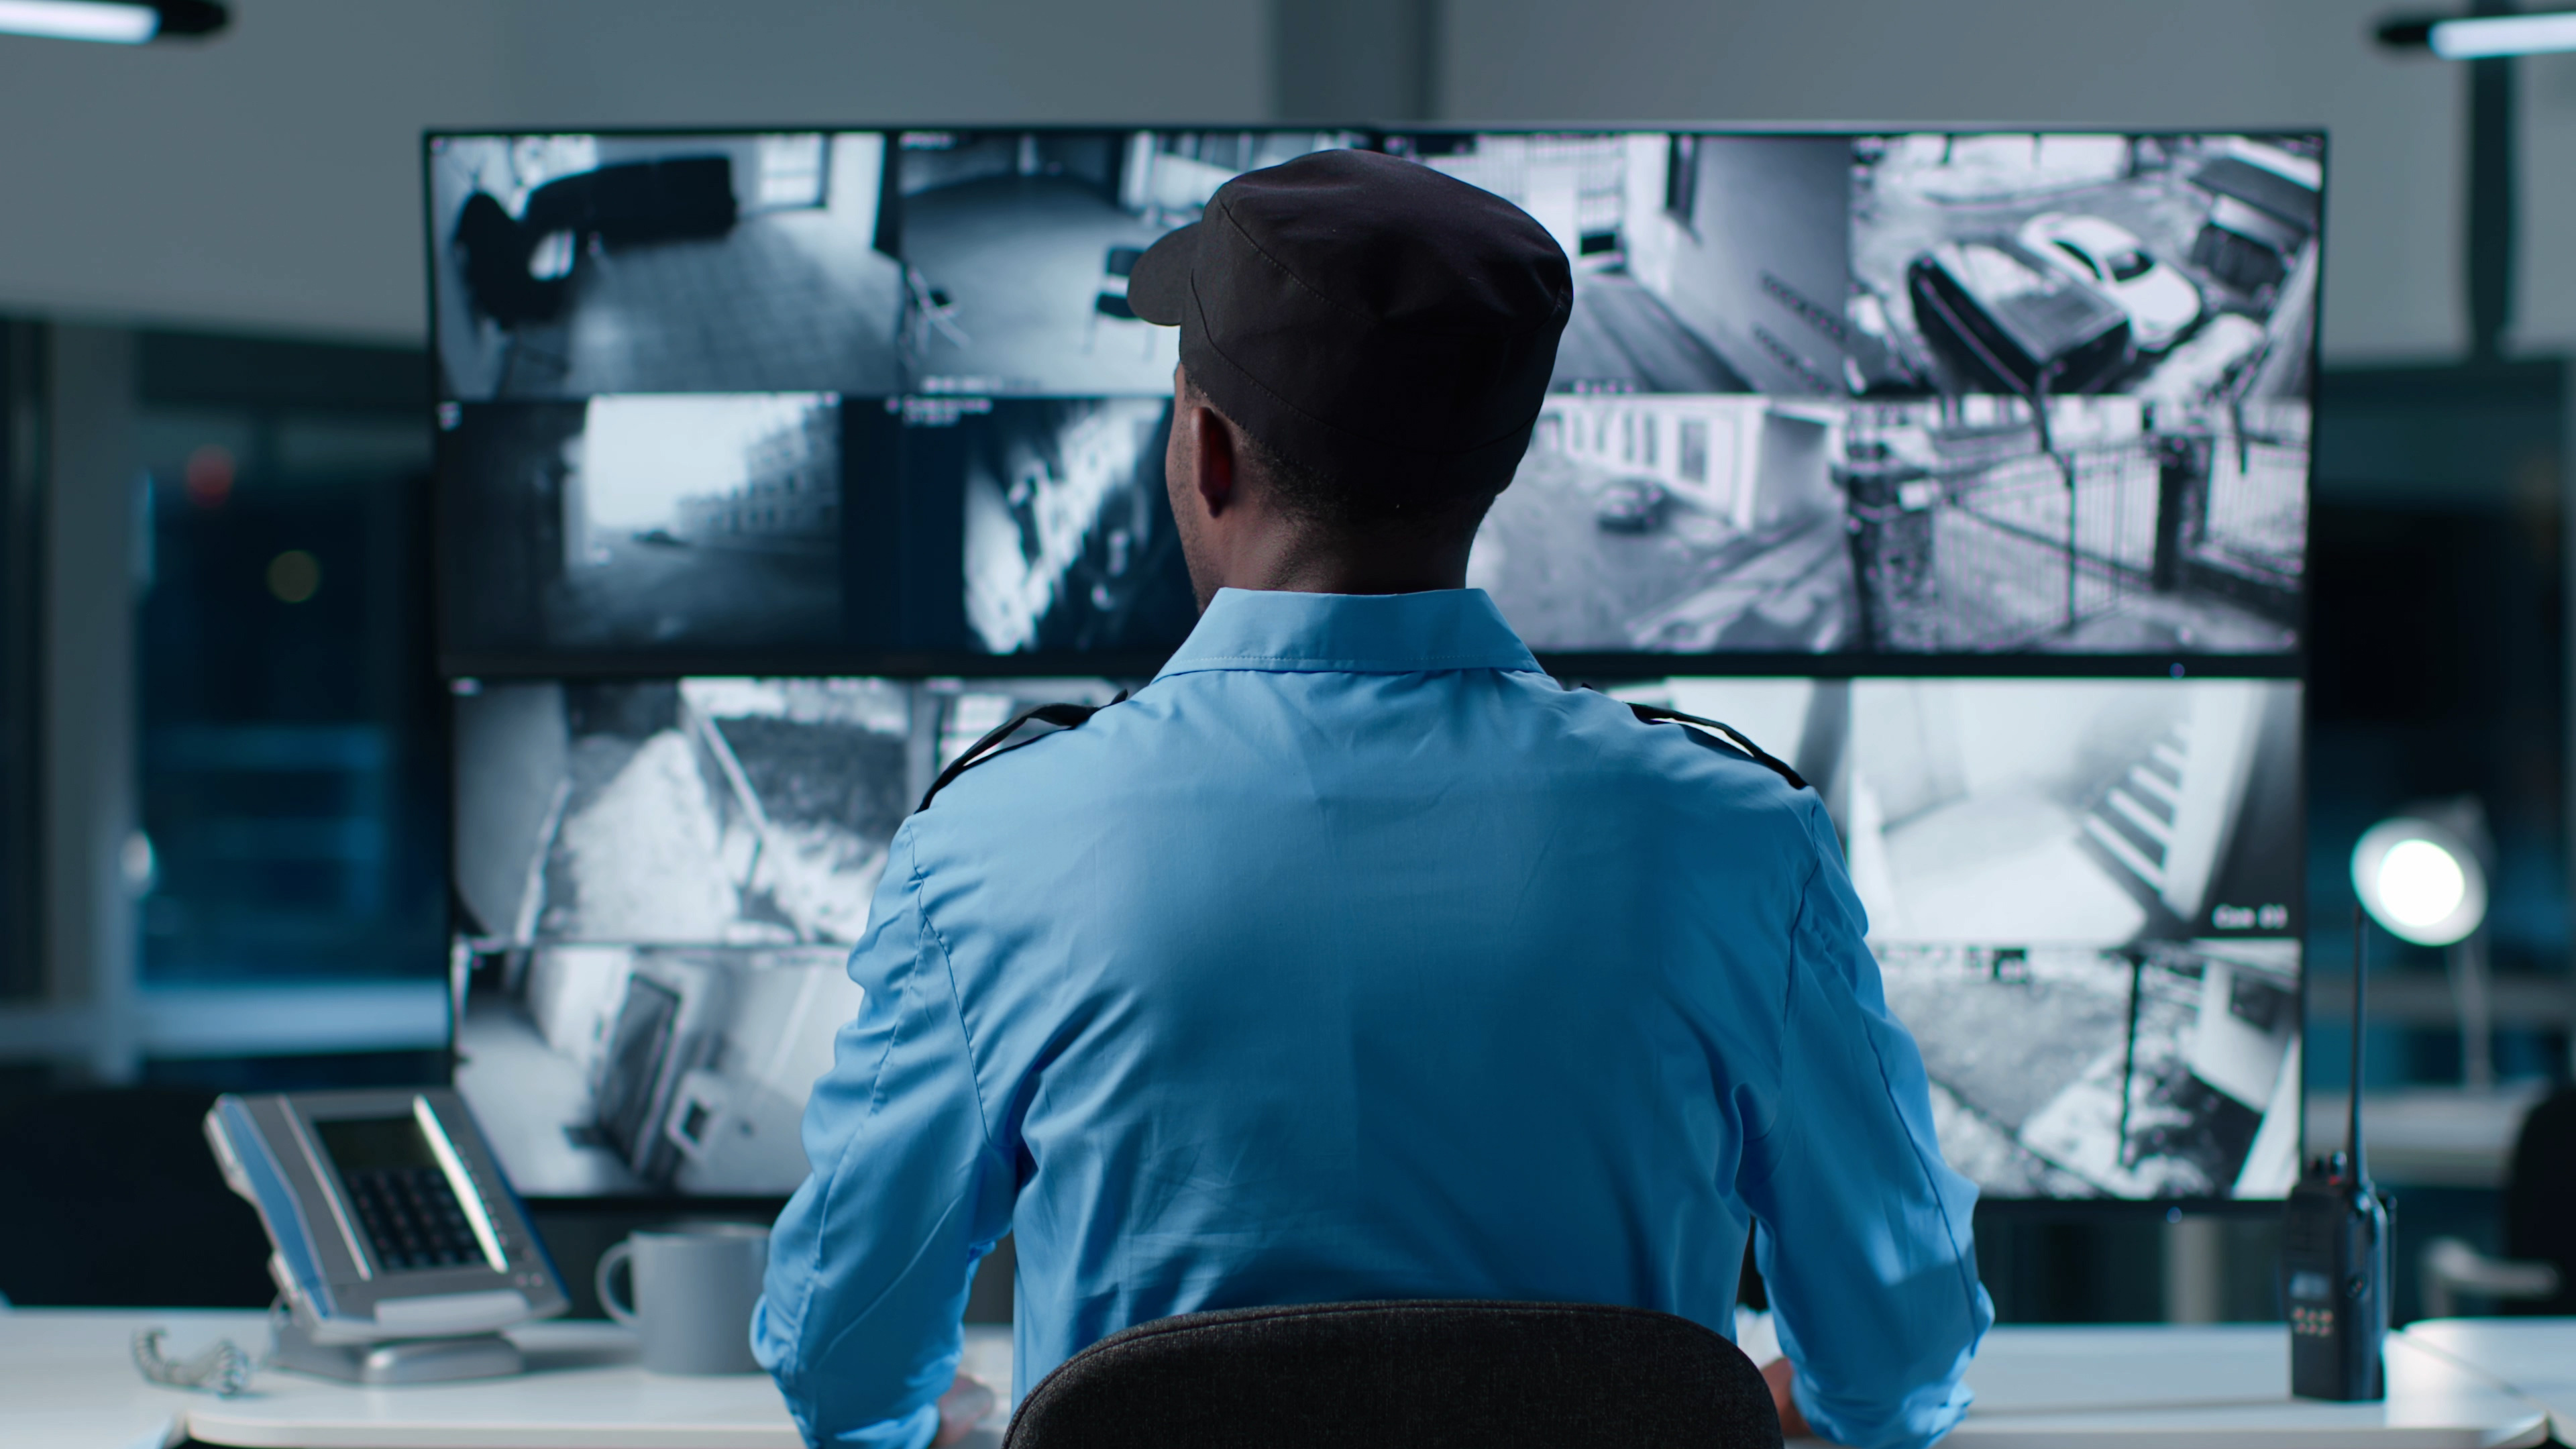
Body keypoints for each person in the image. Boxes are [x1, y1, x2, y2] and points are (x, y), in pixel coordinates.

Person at [753, 148, 1991, 1449]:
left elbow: (844, 1368)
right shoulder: (1743, 848)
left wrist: (932, 1417)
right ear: (1501, 465)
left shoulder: (989, 852)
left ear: (1207, 450)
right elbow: (1898, 1367)